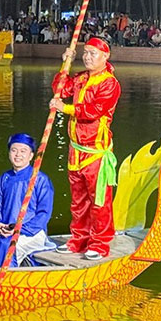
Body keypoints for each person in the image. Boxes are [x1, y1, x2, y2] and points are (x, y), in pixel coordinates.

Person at [50, 37, 121, 260]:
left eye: (93, 53)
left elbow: (93, 110)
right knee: (78, 200)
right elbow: (60, 88)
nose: (88, 57)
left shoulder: (109, 83)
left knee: (99, 201)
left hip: (95, 152)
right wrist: (66, 63)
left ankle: (100, 243)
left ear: (105, 56)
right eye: (86, 53)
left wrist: (65, 108)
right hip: (76, 149)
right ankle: (78, 239)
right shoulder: (81, 78)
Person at [0, 133, 55, 268]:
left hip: (30, 232)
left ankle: (8, 281)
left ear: (31, 156)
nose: (18, 154)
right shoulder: (4, 178)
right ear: (9, 153)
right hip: (3, 229)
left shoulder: (40, 179)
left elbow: (43, 214)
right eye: (14, 150)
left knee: (8, 245)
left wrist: (19, 230)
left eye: (23, 151)